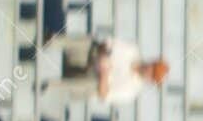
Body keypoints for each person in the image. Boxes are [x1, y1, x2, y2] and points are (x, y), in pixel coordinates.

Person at [39, 35, 167, 106]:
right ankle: (50, 42)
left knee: (93, 86)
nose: (149, 73)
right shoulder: (132, 51)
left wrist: (104, 73)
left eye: (152, 76)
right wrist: (103, 57)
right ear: (152, 62)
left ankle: (49, 85)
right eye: (153, 69)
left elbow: (104, 95)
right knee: (90, 42)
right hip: (91, 58)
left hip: (91, 81)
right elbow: (106, 43)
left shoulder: (131, 91)